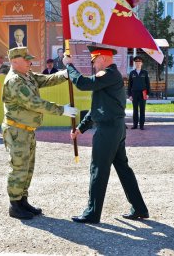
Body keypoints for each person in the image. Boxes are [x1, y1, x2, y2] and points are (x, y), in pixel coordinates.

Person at [63, 45, 149, 224]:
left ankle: (92, 213)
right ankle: (139, 208)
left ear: (101, 58)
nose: (94, 66)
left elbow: (83, 84)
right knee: (123, 169)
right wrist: (81, 128)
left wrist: (69, 66)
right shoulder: (109, 77)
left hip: (108, 131)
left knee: (98, 170)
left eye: (94, 62)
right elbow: (97, 108)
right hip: (115, 128)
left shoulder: (108, 74)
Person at [2, 46, 78, 220]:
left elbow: (44, 80)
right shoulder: (15, 81)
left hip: (26, 130)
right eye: (26, 59)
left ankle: (23, 201)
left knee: (28, 168)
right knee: (19, 167)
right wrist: (61, 110)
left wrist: (63, 74)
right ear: (15, 62)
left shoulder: (26, 75)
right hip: (17, 130)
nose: (30, 62)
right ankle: (15, 205)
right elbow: (34, 103)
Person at [127, 56, 150, 130]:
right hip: (134, 93)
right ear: (135, 63)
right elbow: (129, 85)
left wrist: (147, 94)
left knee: (142, 109)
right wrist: (129, 95)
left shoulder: (145, 73)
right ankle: (135, 125)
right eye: (136, 62)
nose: (138, 63)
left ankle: (142, 125)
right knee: (135, 109)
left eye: (139, 62)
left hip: (143, 93)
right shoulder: (132, 73)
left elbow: (148, 84)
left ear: (141, 63)